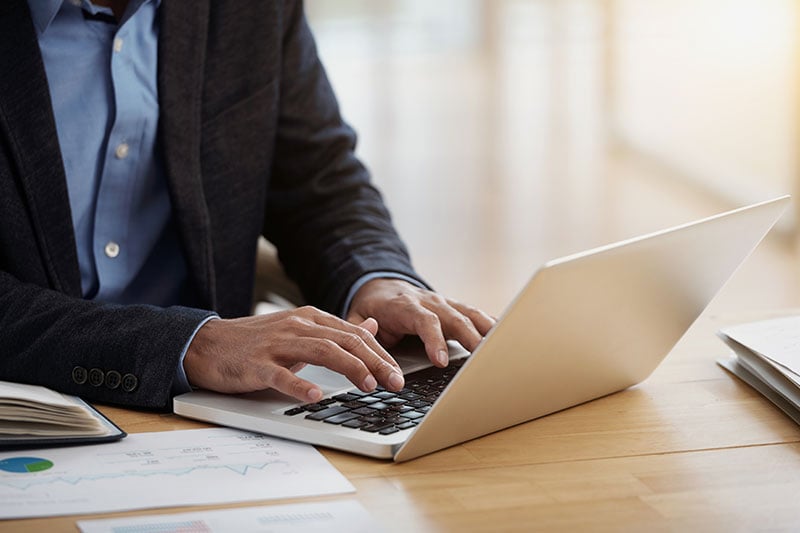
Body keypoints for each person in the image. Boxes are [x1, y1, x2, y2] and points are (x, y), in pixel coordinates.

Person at [0, 0, 494, 410]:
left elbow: (317, 179)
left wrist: (375, 280)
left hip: (220, 417)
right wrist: (185, 343)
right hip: (33, 413)